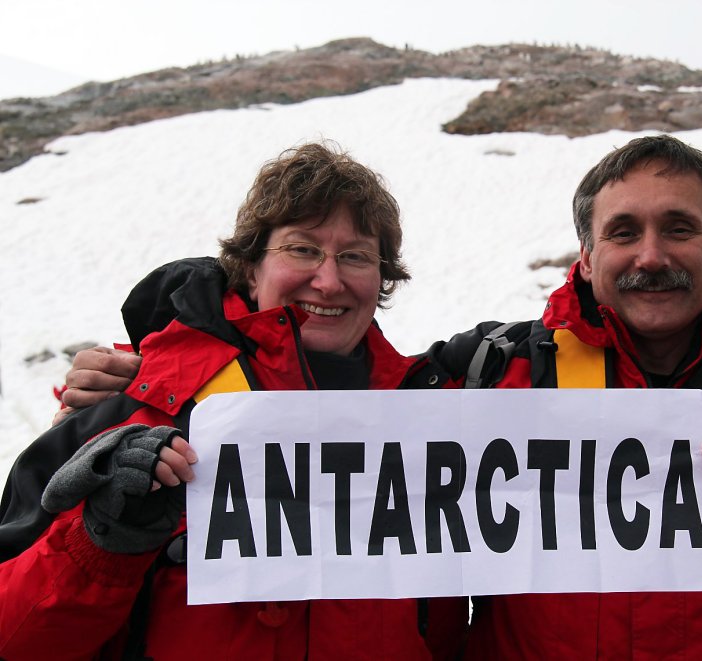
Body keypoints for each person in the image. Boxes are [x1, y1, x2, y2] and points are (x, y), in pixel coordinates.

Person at [57, 135, 702, 659]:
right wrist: (141, 373)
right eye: (623, 231)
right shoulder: (494, 370)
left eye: (679, 227)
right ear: (587, 256)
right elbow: (318, 384)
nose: (650, 252)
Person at [0, 143, 466, 660]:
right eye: (302, 249)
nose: (329, 281)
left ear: (381, 277)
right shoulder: (132, 412)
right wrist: (102, 545)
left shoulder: (428, 424)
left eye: (355, 256)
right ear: (248, 267)